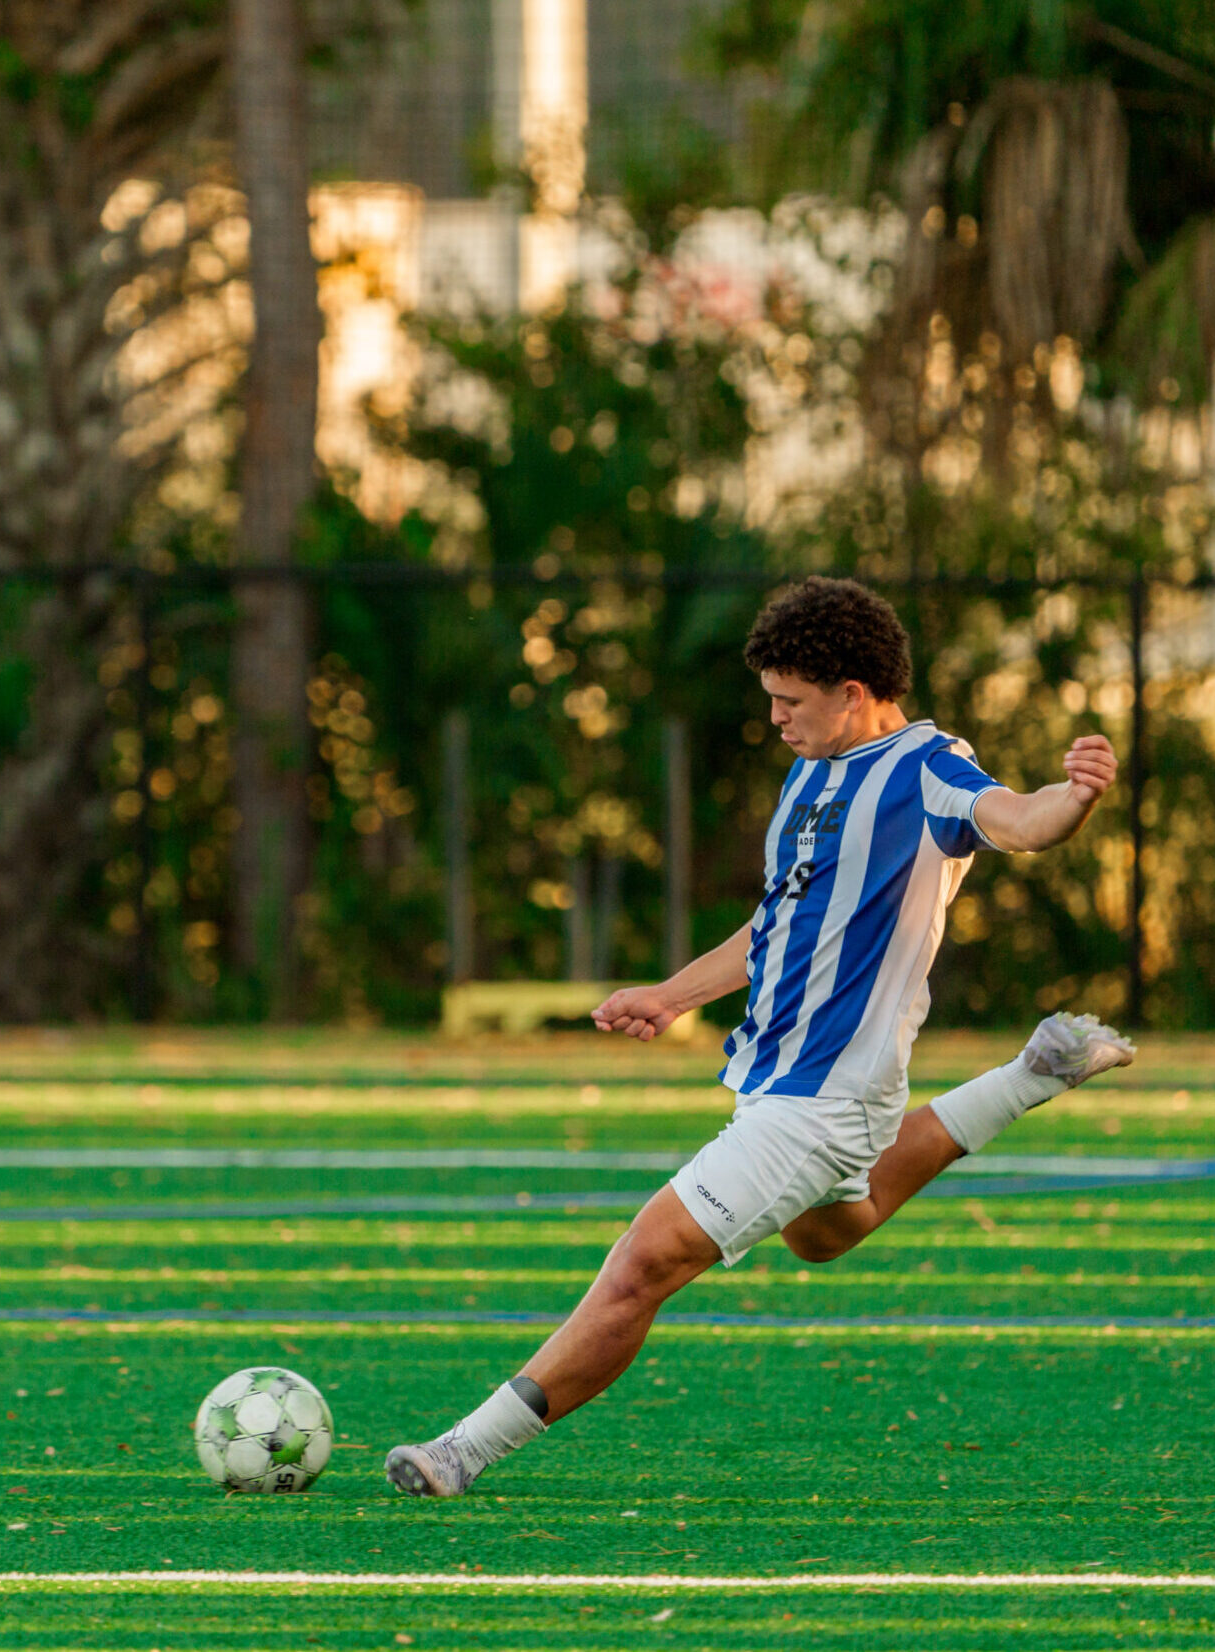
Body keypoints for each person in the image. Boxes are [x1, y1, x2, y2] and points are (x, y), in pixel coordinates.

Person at [386, 575, 1138, 1498]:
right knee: (828, 1234)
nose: (776, 718)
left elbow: (1020, 819)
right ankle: (1034, 1071)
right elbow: (776, 927)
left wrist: (1076, 796)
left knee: (642, 1264)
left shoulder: (926, 768)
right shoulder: (810, 776)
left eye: (790, 701)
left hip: (821, 1100)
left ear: (853, 695)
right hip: (792, 1083)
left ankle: (462, 1450)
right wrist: (671, 994)